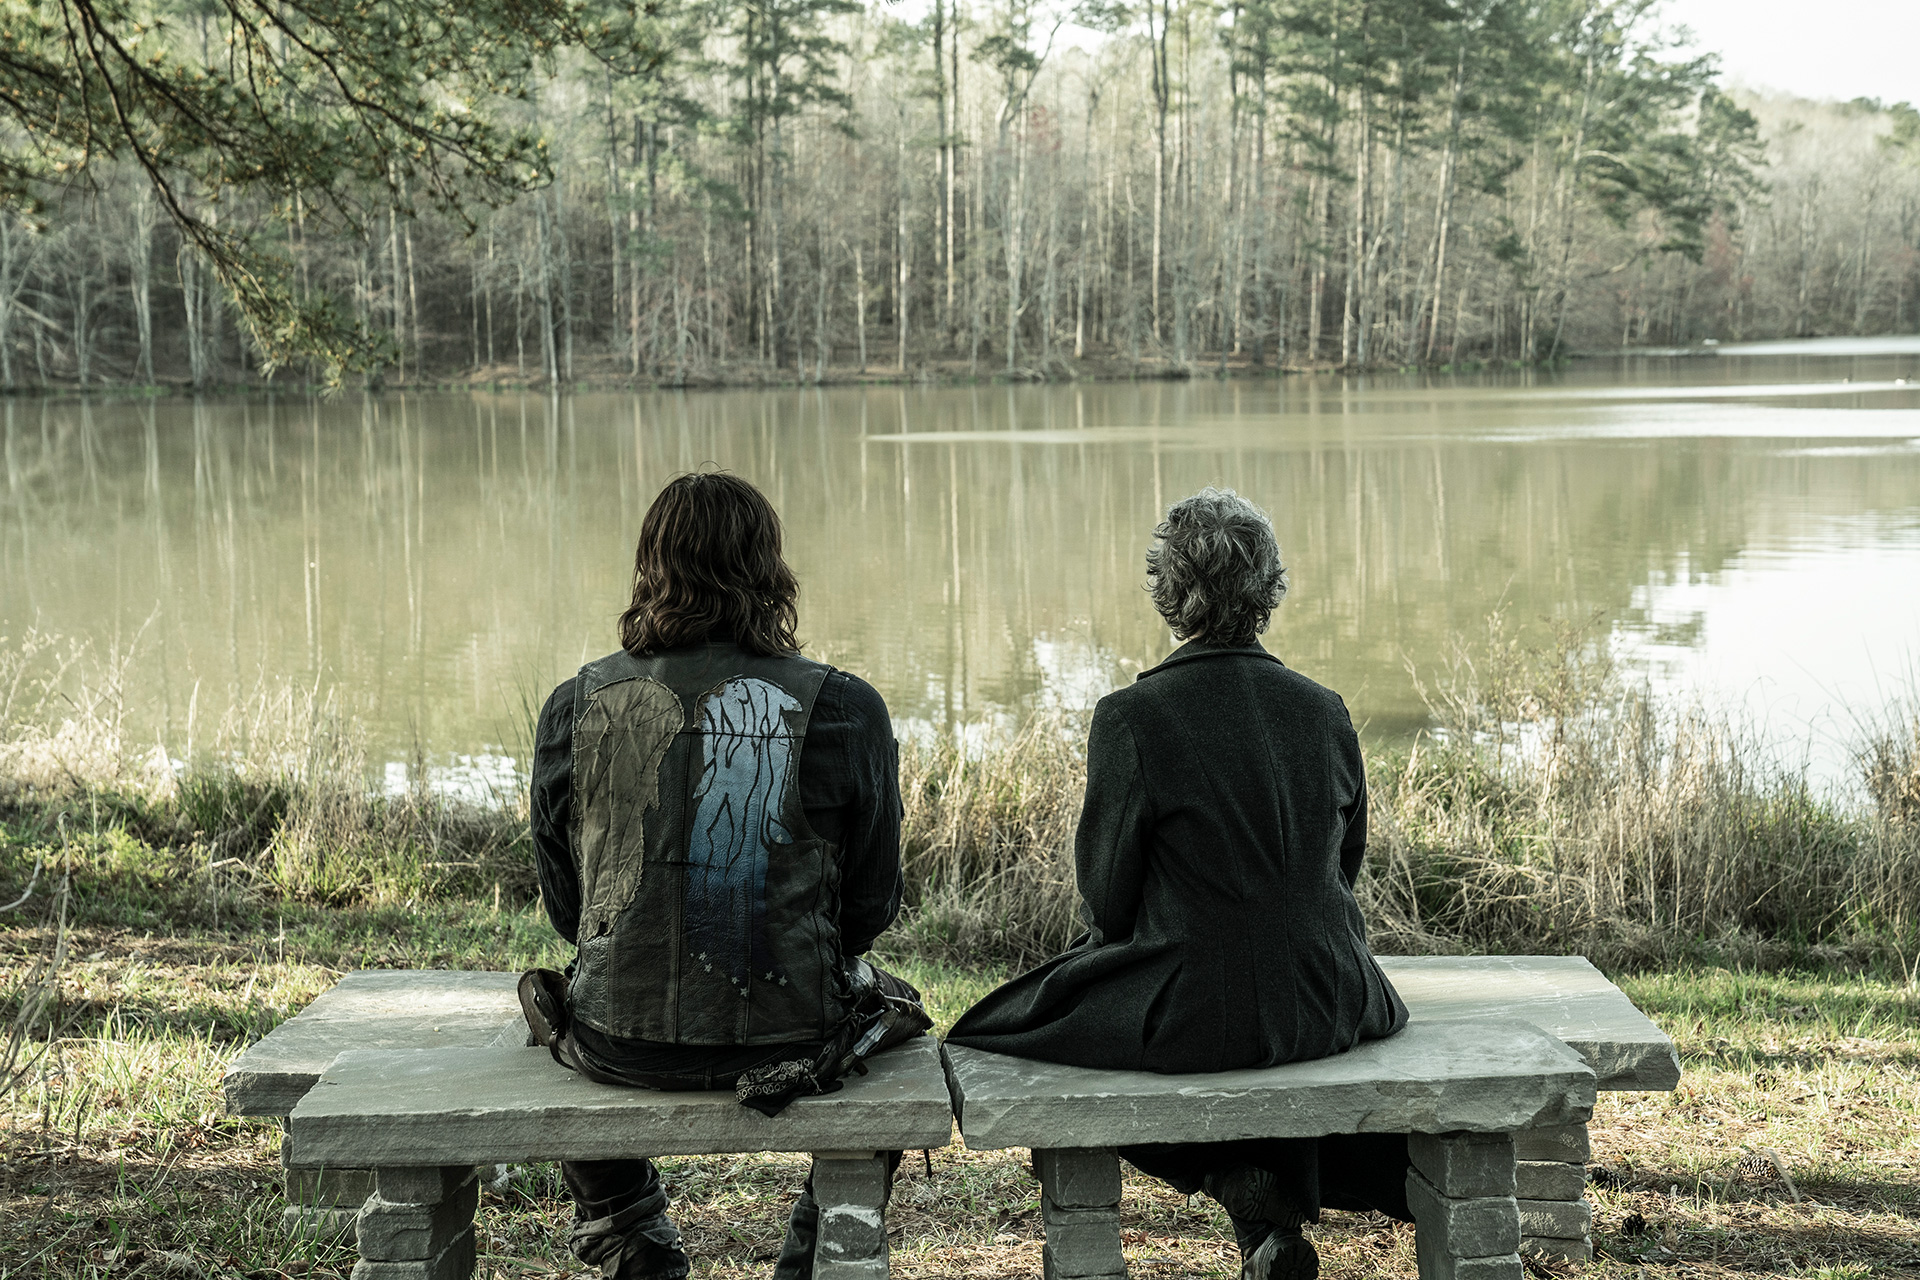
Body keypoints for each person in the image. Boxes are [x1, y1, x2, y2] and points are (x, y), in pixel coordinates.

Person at [946, 487, 1410, 1280]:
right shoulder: (1325, 710)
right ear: (1268, 591)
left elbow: (1107, 900)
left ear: (1168, 592)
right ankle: (1262, 1211)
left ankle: (1237, 1181)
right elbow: (1342, 871)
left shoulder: (1133, 716)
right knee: (1253, 1013)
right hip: (1334, 994)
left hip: (1198, 1004)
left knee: (998, 1031)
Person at [521, 471, 929, 1280]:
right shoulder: (846, 706)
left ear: (649, 570)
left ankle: (630, 1234)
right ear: (770, 572)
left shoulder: (575, 702)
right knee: (899, 1013)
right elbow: (869, 909)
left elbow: (572, 914)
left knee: (549, 1002)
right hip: (795, 1033)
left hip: (616, 1038)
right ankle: (813, 1254)